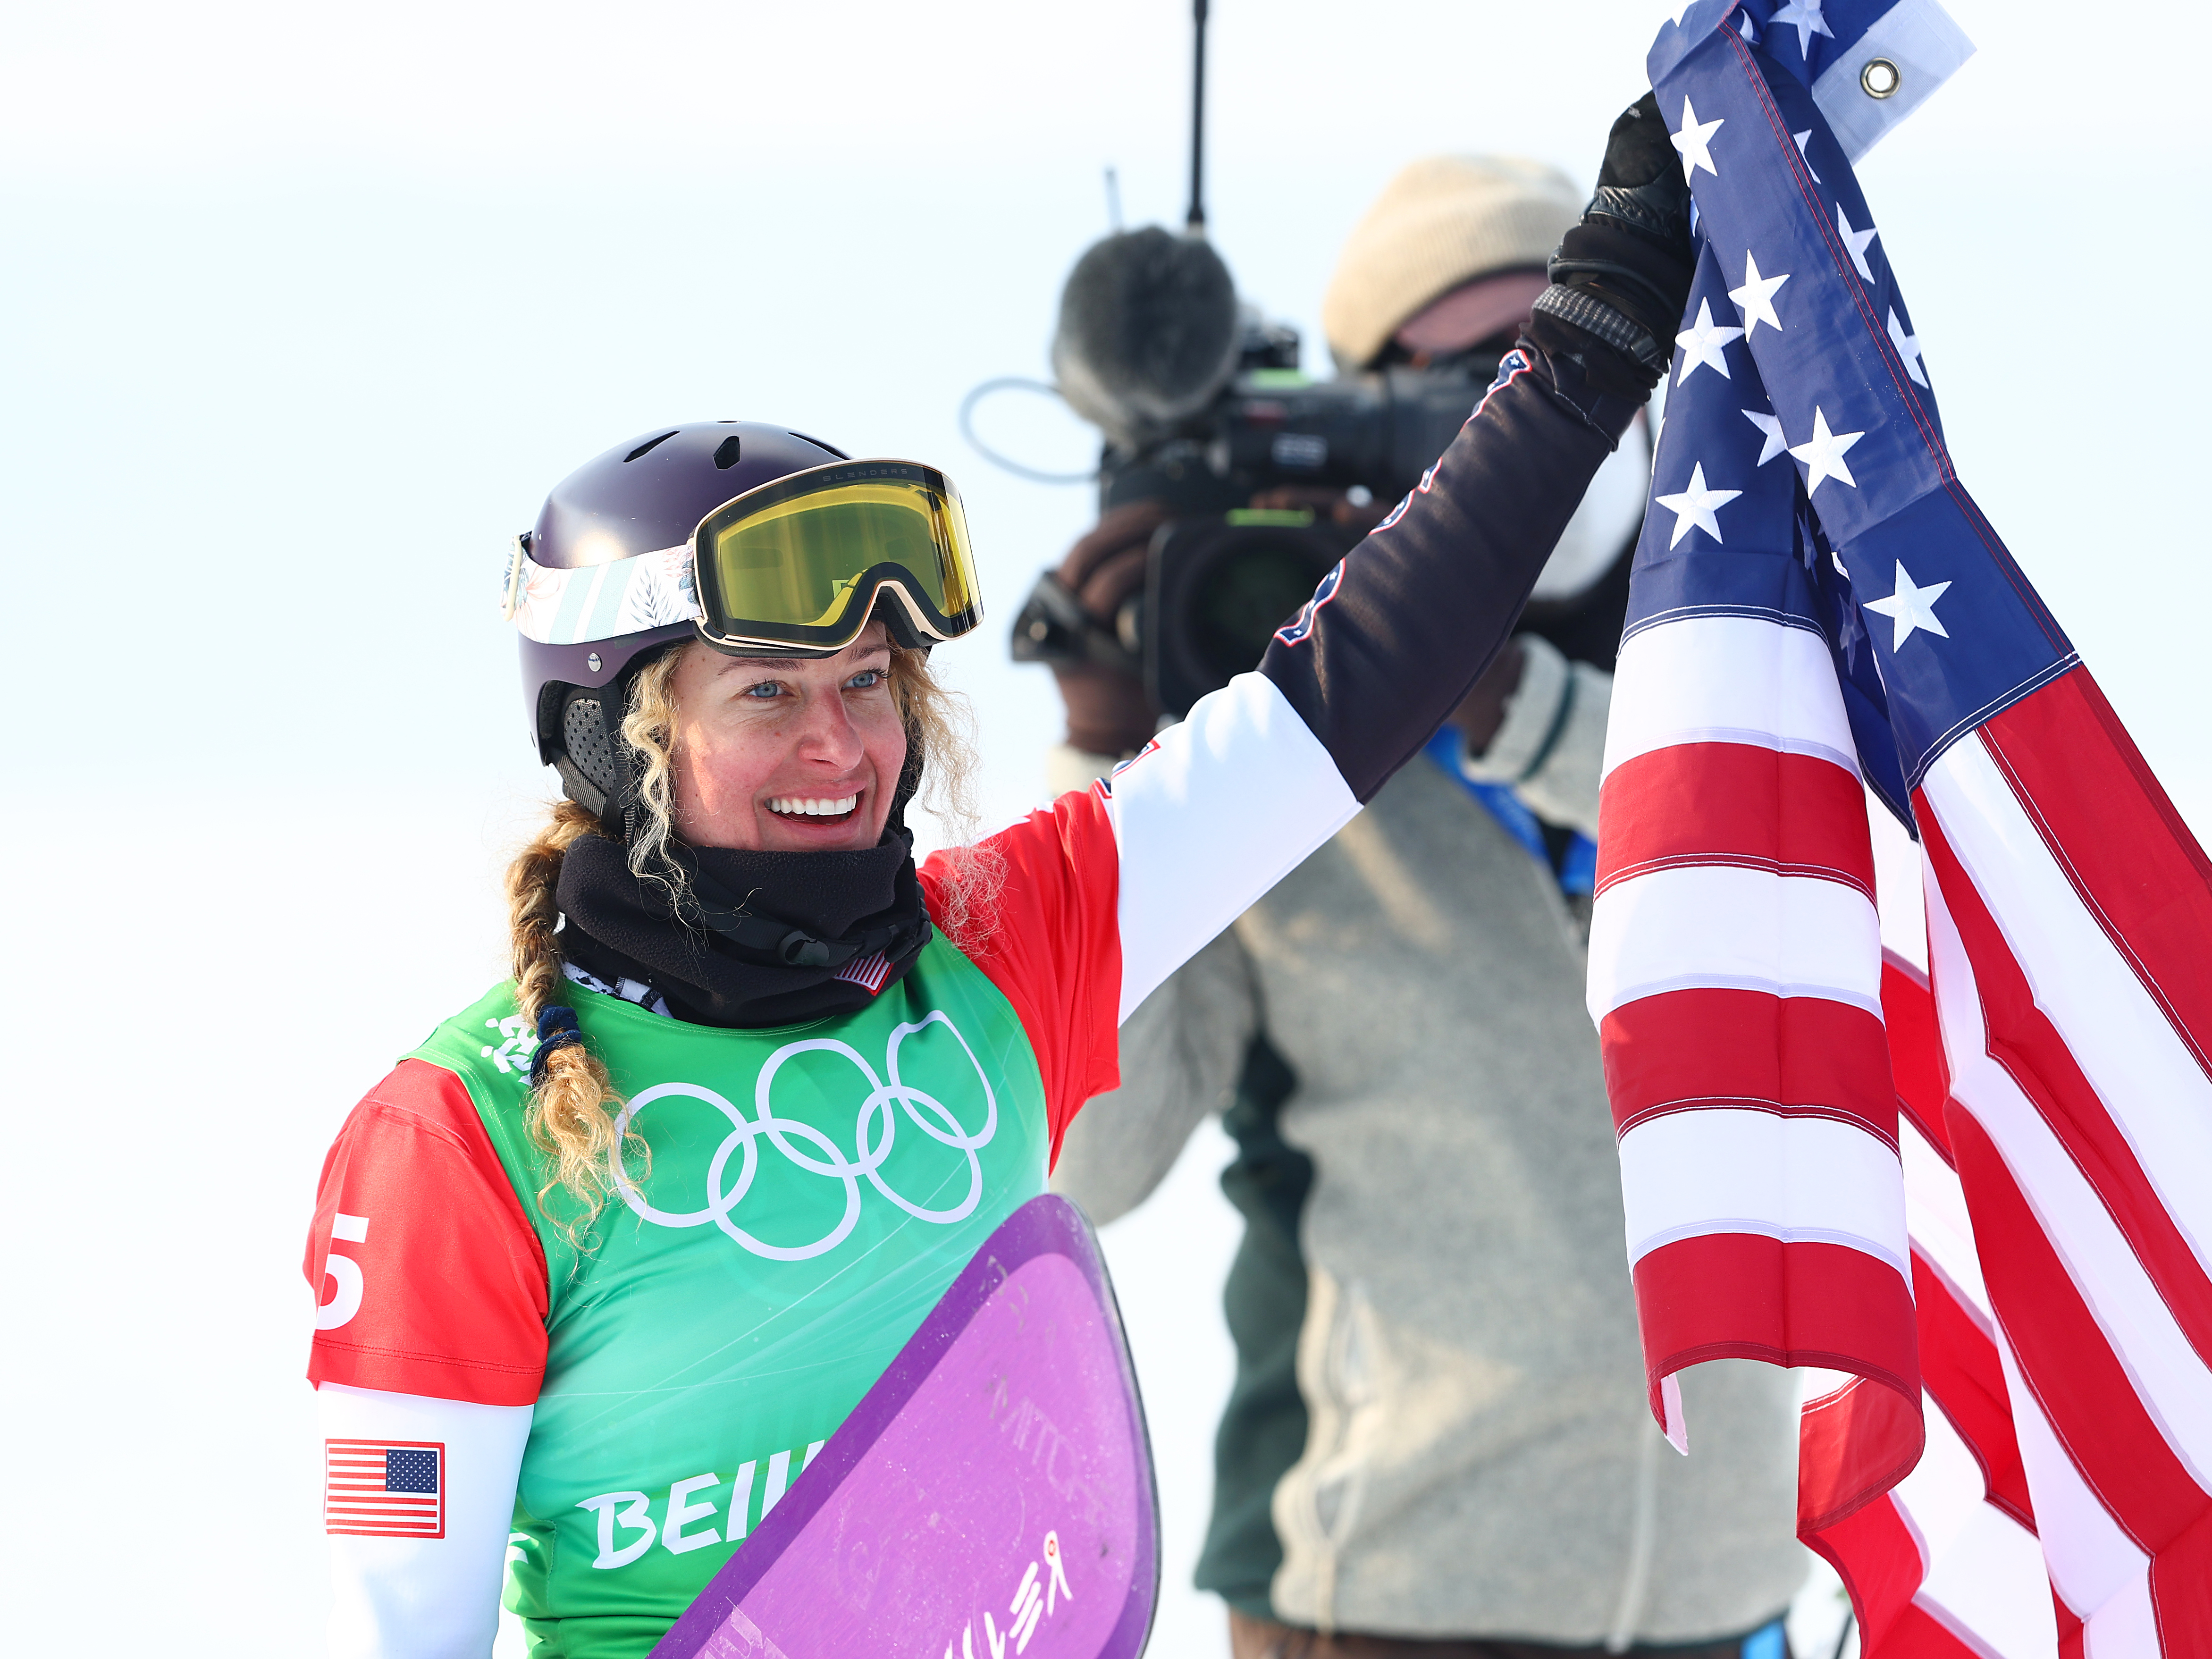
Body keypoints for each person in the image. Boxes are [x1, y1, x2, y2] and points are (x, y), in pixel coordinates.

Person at [300, 97, 1699, 1659]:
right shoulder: (456, 1139)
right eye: (765, 692)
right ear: (622, 743)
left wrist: (1580, 362)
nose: (841, 742)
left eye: (873, 681)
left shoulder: (1002, 950)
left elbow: (1347, 691)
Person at [1042, 157, 1805, 1657]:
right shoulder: (1272, 794)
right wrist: (1110, 759)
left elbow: (1818, 859)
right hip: (1378, 1607)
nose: (1548, 407)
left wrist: (1513, 707)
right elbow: (1087, 1161)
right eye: (1477, 381)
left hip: (1736, 1608)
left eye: (1587, 355)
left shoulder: (1764, 694)